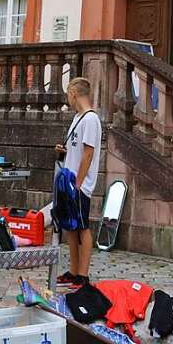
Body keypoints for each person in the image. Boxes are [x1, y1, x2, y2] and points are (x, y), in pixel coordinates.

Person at [54, 77, 101, 287]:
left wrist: (79, 184)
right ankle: (73, 271)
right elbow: (77, 150)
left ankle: (83, 274)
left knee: (82, 227)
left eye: (68, 95)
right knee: (70, 227)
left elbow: (88, 154)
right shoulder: (78, 118)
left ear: (74, 94)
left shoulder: (91, 120)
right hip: (69, 178)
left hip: (79, 183)